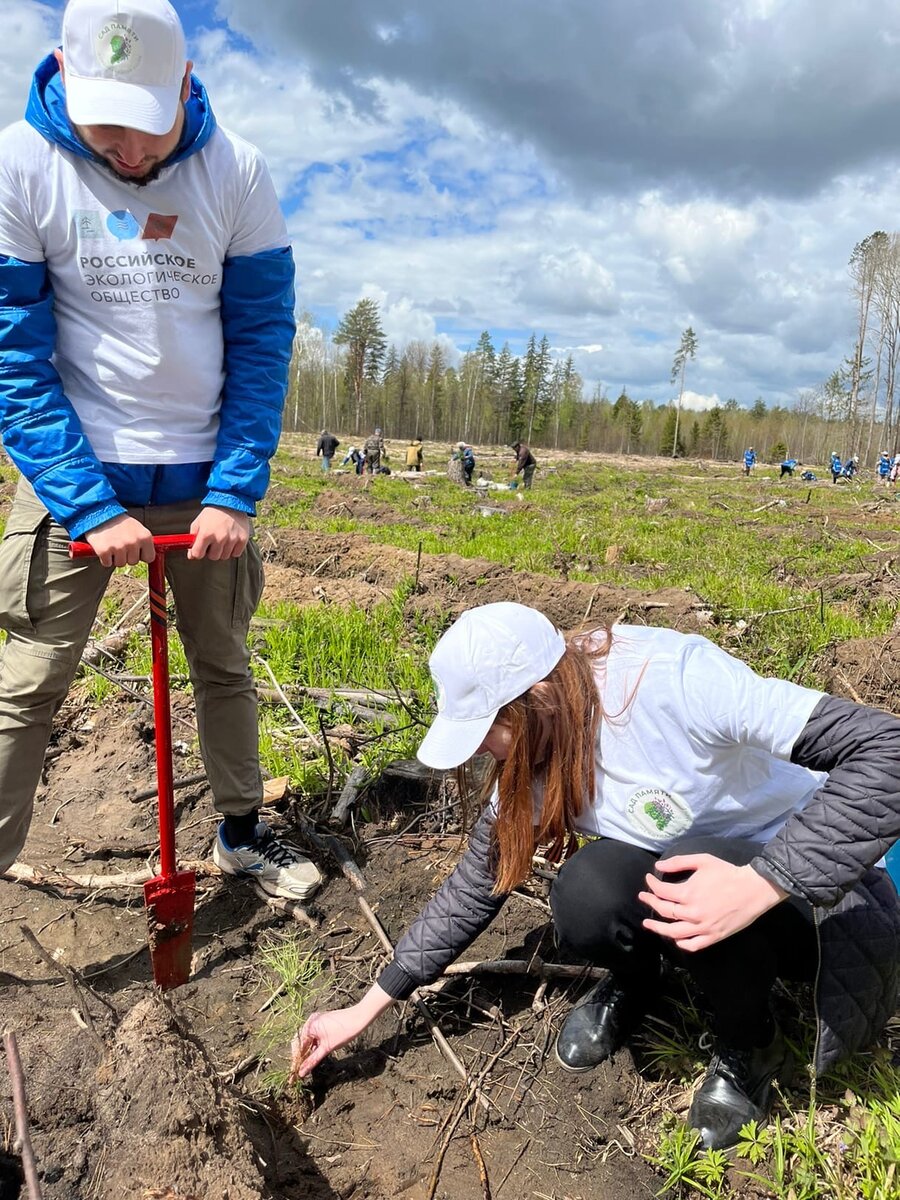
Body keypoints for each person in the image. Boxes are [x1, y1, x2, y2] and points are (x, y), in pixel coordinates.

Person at [291, 602, 900, 1152]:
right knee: (585, 893)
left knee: (688, 866)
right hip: (702, 883)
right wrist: (368, 1006)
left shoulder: (675, 683)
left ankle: (750, 1042)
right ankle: (641, 981)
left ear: (536, 699)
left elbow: (887, 751)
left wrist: (764, 880)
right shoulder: (541, 748)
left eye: (491, 734)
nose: (488, 754)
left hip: (819, 898)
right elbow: (478, 879)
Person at [0, 0, 321, 900]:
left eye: (148, 124)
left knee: (224, 663)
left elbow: (262, 341)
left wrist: (234, 491)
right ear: (65, 76)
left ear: (183, 84)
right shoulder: (19, 166)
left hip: (202, 484)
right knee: (25, 688)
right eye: (108, 126)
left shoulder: (236, 172)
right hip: (76, 475)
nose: (131, 150)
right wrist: (87, 504)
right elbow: (10, 353)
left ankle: (241, 833)